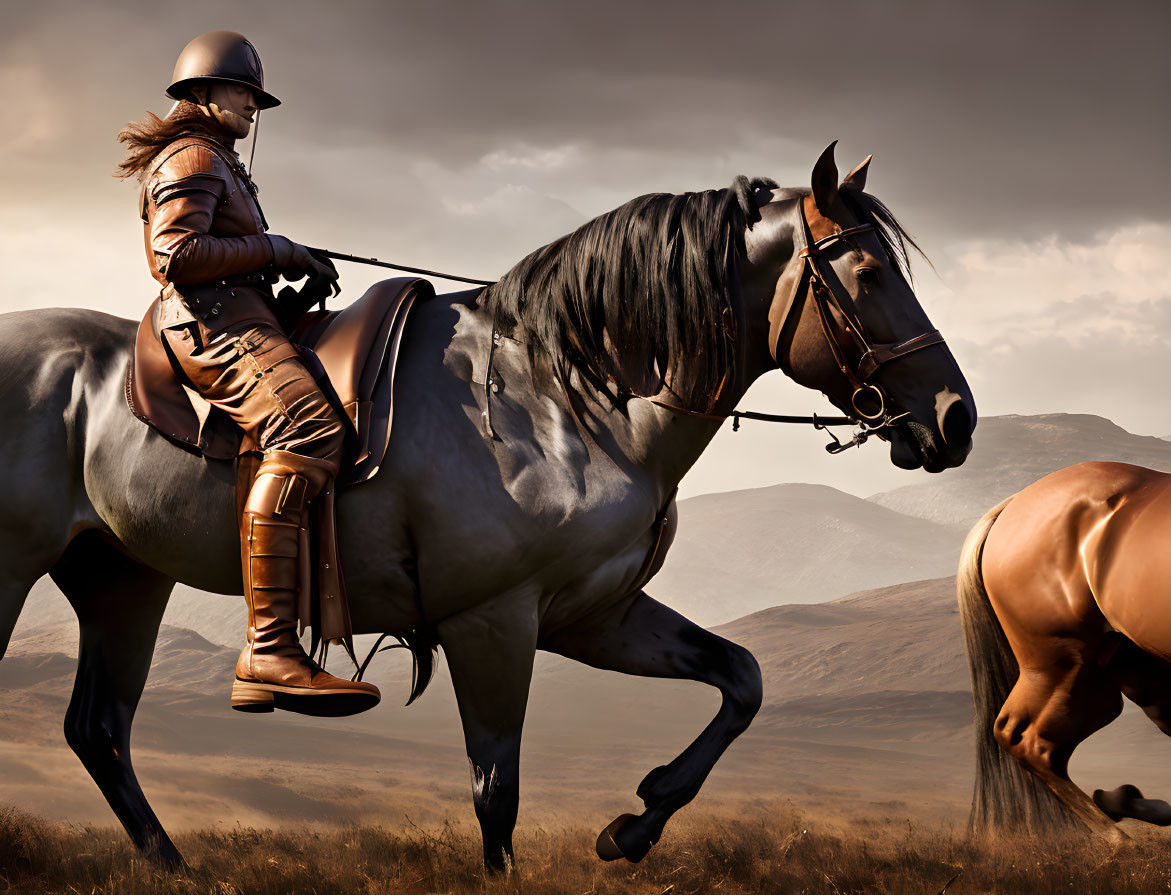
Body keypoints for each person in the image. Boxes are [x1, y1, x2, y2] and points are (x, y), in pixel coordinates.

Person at [116, 30, 380, 715]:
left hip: (238, 311)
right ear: (202, 93)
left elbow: (226, 250)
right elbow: (175, 254)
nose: (253, 106)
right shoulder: (196, 154)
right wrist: (276, 247)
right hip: (210, 323)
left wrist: (285, 264)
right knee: (308, 430)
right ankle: (268, 646)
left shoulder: (220, 160)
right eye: (243, 92)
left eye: (256, 97)